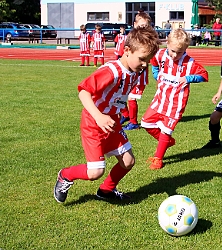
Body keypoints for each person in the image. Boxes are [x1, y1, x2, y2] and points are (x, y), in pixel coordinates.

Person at [53, 26, 160, 203]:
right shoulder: (111, 71)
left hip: (113, 122)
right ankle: (65, 175)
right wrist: (99, 116)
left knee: (128, 161)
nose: (145, 64)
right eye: (142, 59)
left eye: (148, 60)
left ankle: (106, 191)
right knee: (95, 172)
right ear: (126, 50)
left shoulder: (135, 71)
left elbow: (118, 96)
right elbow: (83, 91)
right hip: (93, 123)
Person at [141, 28, 209, 170]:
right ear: (167, 44)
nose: (175, 55)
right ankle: (167, 141)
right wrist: (155, 73)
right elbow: (153, 61)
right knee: (146, 123)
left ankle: (158, 158)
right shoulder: (160, 54)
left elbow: (204, 75)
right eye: (172, 51)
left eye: (180, 52)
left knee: (166, 129)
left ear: (186, 49)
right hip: (159, 98)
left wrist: (189, 78)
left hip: (176, 103)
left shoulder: (189, 62)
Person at [120, 12, 152, 130]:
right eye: (141, 25)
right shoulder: (131, 37)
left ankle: (133, 122)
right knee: (121, 94)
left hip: (139, 75)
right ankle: (126, 115)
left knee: (131, 97)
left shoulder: (148, 41)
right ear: (134, 24)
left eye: (146, 26)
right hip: (128, 72)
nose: (143, 28)